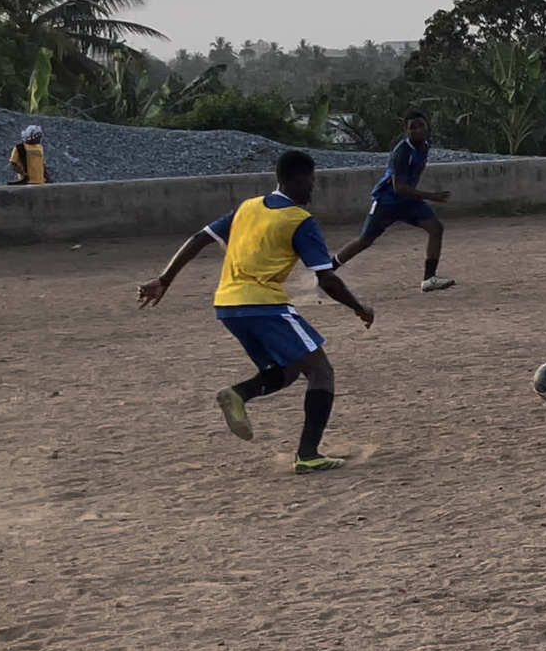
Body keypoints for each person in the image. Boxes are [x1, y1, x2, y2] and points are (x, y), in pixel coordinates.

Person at [135, 149, 373, 474]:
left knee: (288, 370)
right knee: (321, 371)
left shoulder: (247, 208)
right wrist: (359, 307)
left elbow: (198, 239)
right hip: (264, 304)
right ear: (296, 181)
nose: (312, 191)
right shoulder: (300, 221)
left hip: (228, 305)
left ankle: (237, 394)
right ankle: (308, 454)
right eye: (310, 183)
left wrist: (164, 279)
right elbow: (327, 279)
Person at [335, 109, 454, 291]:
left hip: (408, 202)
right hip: (388, 202)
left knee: (436, 228)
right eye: (412, 127)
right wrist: (432, 196)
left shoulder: (425, 146)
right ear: (406, 131)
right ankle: (326, 270)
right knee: (364, 241)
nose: (417, 130)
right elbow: (399, 187)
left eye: (420, 126)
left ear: (427, 128)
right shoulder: (403, 152)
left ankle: (429, 278)